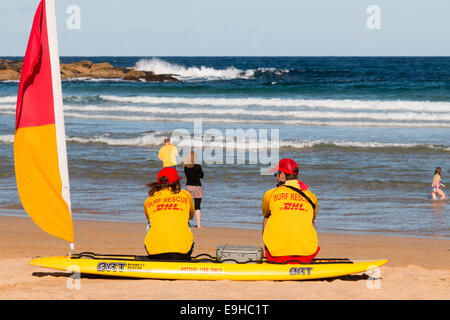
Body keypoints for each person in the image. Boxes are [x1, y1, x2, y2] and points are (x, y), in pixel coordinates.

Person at [261, 158, 319, 264]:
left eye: (276, 174)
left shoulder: (270, 194)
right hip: (307, 255)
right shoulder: (311, 196)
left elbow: (266, 215)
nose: (276, 177)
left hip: (277, 256)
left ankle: (271, 252)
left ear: (282, 176)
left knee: (267, 217)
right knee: (310, 220)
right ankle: (302, 248)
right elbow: (312, 220)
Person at [144, 167, 195, 260]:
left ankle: (157, 246)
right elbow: (191, 216)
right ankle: (181, 245)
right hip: (182, 252)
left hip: (154, 252)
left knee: (151, 222)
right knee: (186, 221)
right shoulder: (185, 195)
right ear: (177, 182)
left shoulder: (149, 199)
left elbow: (149, 217)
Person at [183, 151, 204, 228]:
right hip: (197, 186)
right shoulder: (198, 166)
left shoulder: (186, 167)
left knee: (187, 205)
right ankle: (198, 225)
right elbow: (202, 176)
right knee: (197, 206)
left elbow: (187, 176)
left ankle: (185, 222)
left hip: (188, 186)